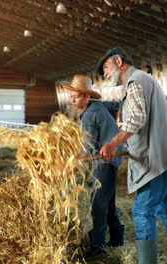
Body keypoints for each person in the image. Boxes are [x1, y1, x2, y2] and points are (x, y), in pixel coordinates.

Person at [96, 47, 167, 264]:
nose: (105, 74)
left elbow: (137, 119)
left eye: (106, 68)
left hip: (156, 156)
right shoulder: (143, 79)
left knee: (142, 210)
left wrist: (112, 144)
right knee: (165, 204)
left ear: (119, 61)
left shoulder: (135, 81)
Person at [61, 74, 125, 258]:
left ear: (87, 97)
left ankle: (98, 247)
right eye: (71, 96)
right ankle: (117, 240)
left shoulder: (89, 114)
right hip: (112, 158)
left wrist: (72, 160)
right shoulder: (98, 105)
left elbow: (86, 147)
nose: (73, 100)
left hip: (104, 160)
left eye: (77, 97)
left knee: (98, 203)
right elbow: (115, 105)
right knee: (108, 202)